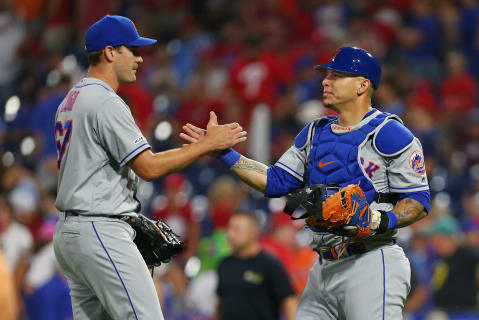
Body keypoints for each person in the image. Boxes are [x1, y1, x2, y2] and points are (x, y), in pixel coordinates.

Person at [181, 46, 431, 319]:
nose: (325, 81)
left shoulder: (390, 133)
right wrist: (225, 153)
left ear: (363, 85)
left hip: (371, 261)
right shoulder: (315, 132)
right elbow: (275, 181)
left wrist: (381, 221)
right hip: (323, 265)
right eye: (327, 75)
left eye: (336, 76)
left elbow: (418, 200)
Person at [52, 15, 247, 320]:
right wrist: (207, 145)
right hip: (99, 227)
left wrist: (197, 148)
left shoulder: (71, 99)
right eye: (133, 49)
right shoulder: (105, 102)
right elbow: (149, 167)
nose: (141, 58)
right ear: (110, 52)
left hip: (71, 232)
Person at [216, 212, 298, 320]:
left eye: (236, 230)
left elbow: (290, 301)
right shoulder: (224, 264)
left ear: (253, 233)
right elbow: (220, 302)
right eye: (229, 229)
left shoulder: (270, 265)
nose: (230, 234)